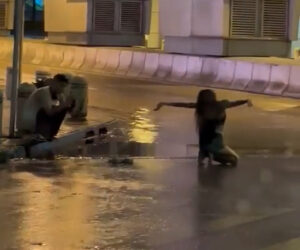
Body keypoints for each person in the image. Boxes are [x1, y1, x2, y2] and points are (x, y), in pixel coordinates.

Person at [154, 89, 252, 167]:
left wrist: (246, 101)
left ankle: (207, 154)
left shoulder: (211, 106)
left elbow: (234, 103)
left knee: (233, 159)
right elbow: (183, 105)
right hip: (212, 141)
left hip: (211, 140)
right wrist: (164, 103)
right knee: (234, 160)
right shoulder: (208, 106)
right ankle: (209, 154)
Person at [19, 74, 74, 141]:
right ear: (54, 83)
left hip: (39, 122)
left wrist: (69, 105)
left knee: (62, 109)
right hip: (31, 125)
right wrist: (63, 105)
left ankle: (50, 133)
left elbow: (63, 110)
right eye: (61, 85)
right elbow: (49, 112)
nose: (62, 89)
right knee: (47, 110)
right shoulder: (43, 92)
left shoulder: (59, 94)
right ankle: (43, 134)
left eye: (64, 87)